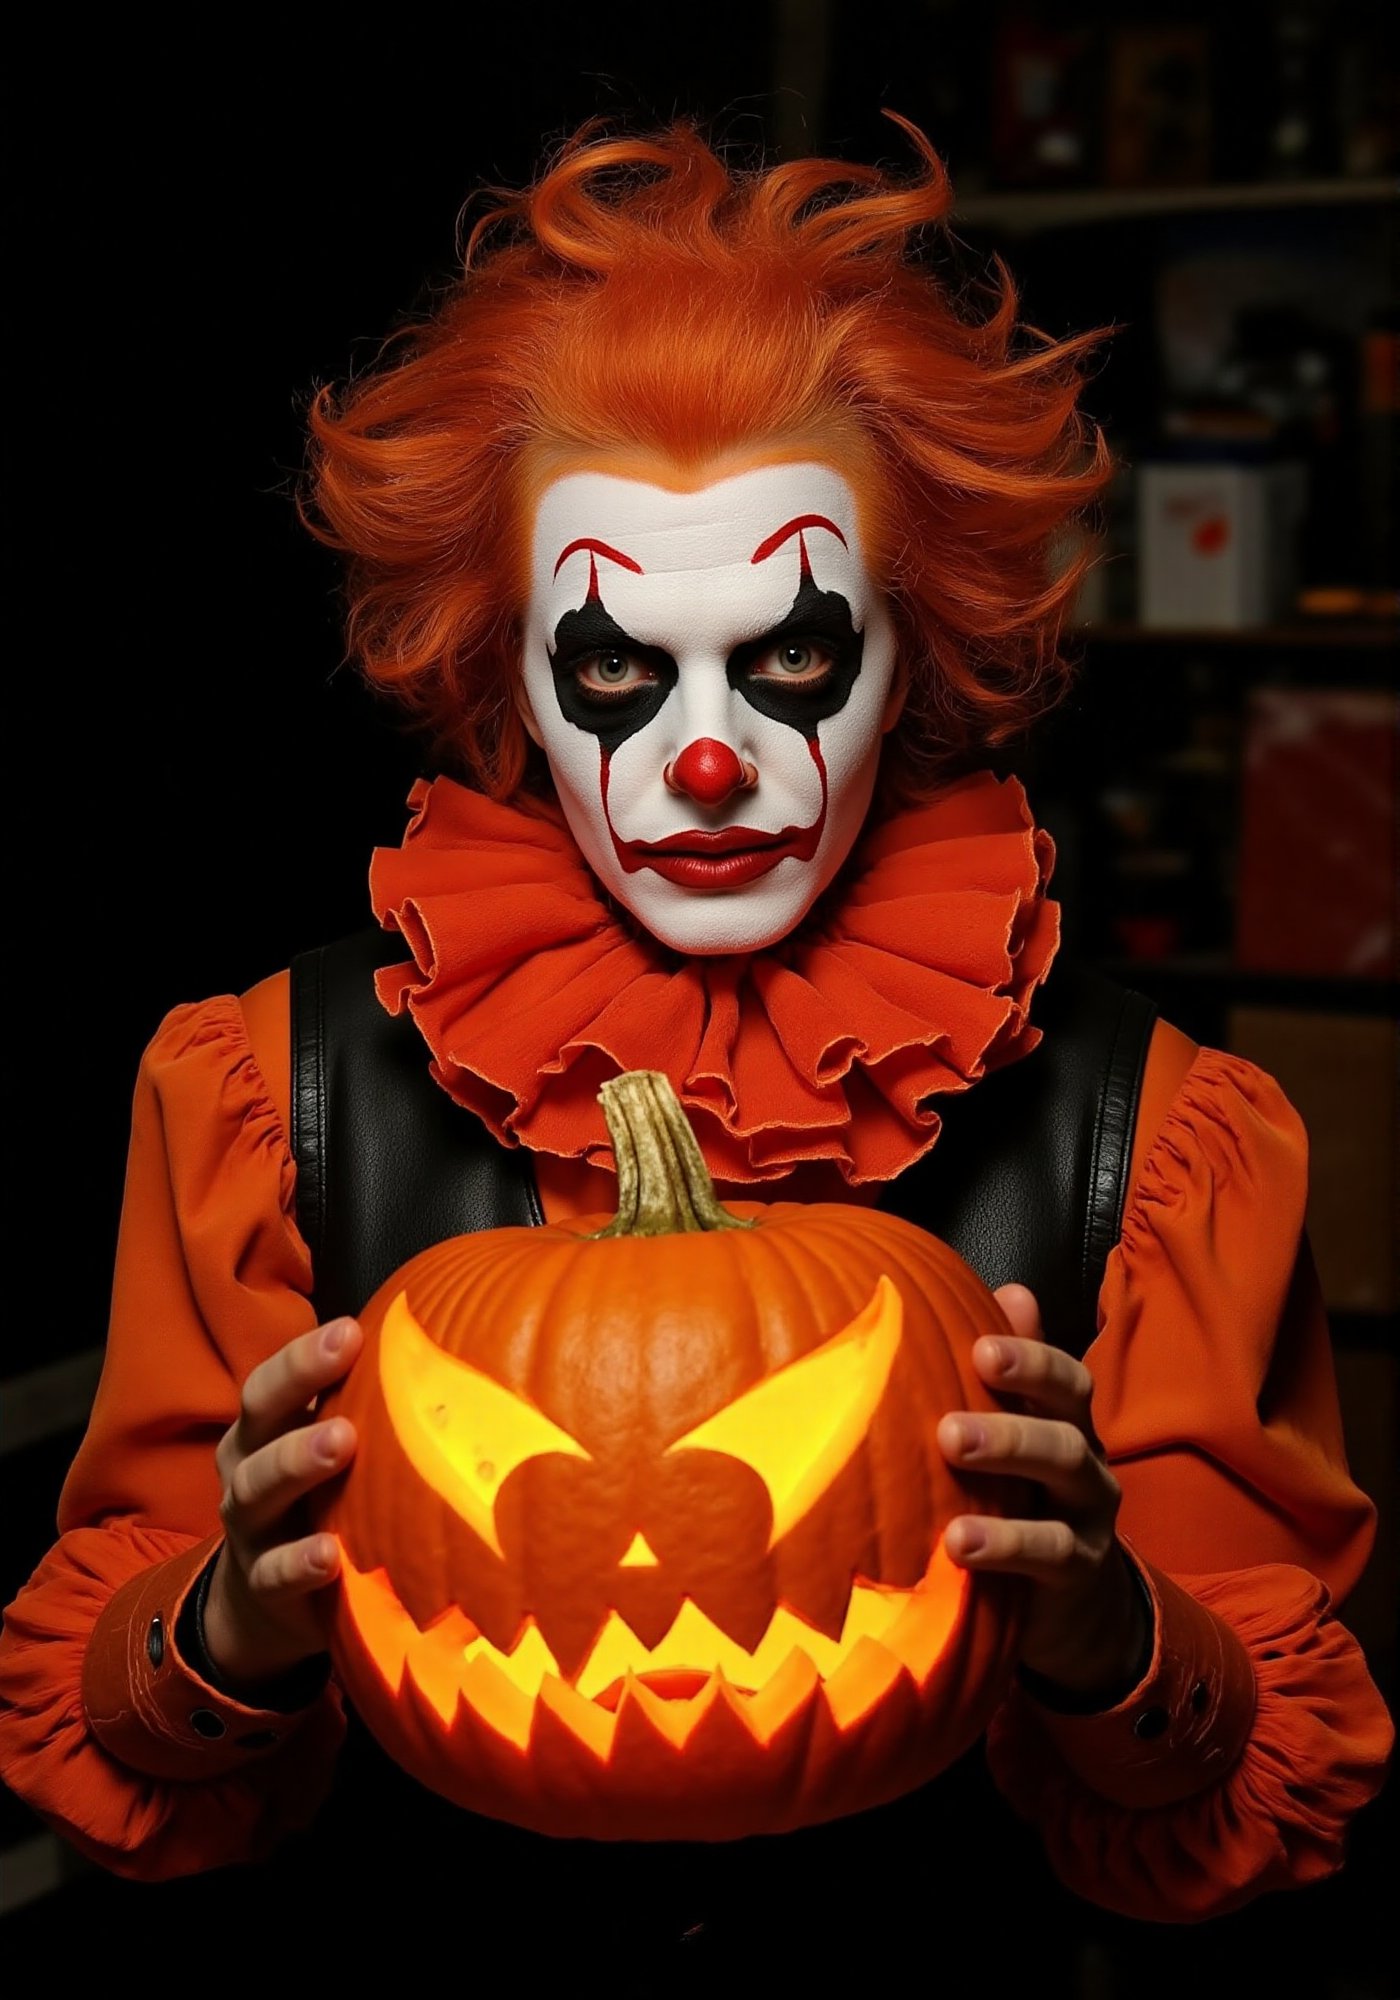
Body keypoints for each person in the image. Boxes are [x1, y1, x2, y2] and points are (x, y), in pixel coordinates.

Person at [0, 115, 1390, 1982]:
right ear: (513, 675)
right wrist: (223, 1632)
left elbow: (1260, 1809)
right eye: (619, 671)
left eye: (792, 658)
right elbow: (117, 1763)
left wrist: (1112, 1633)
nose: (710, 757)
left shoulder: (1149, 1136)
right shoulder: (274, 1088)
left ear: (923, 650)